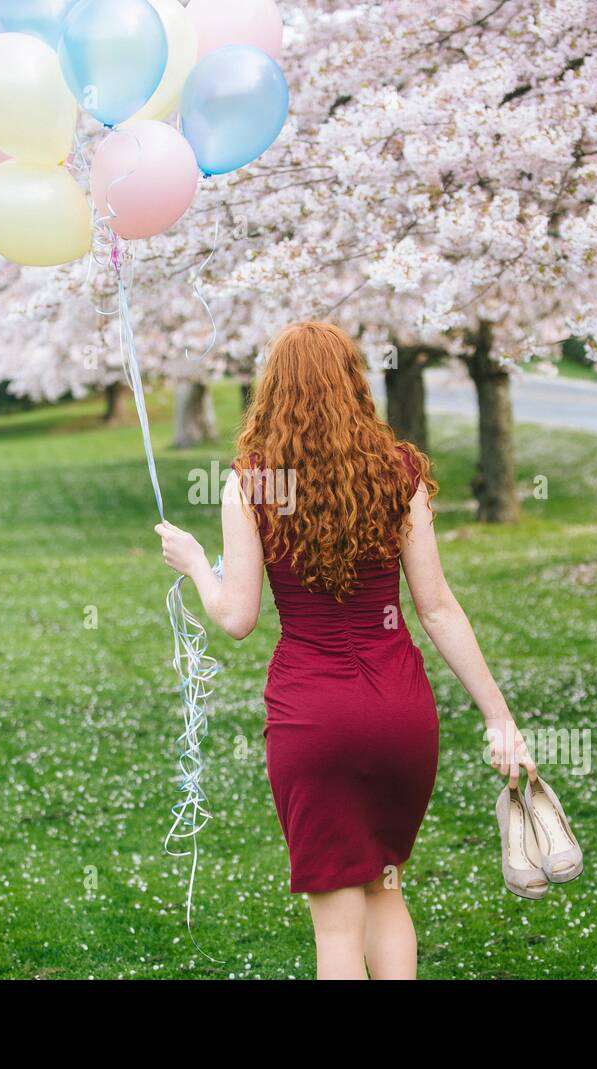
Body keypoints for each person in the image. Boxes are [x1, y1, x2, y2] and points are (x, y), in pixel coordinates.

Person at [156, 321, 536, 980]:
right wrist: (499, 715)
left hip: (314, 715)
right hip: (400, 713)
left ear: (272, 390)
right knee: (385, 886)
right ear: (354, 385)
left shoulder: (254, 483)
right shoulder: (399, 474)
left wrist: (195, 563)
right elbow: (438, 606)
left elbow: (237, 617)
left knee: (337, 926)